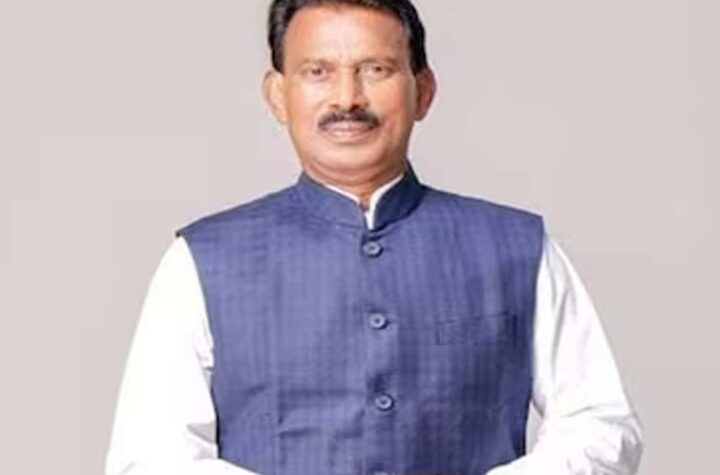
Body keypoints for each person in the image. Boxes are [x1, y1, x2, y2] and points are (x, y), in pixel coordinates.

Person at [105, 1, 644, 474]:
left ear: (423, 91)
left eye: (375, 69)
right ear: (278, 95)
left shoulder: (516, 248)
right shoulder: (203, 260)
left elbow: (600, 424)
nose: (347, 98)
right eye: (318, 71)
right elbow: (151, 456)